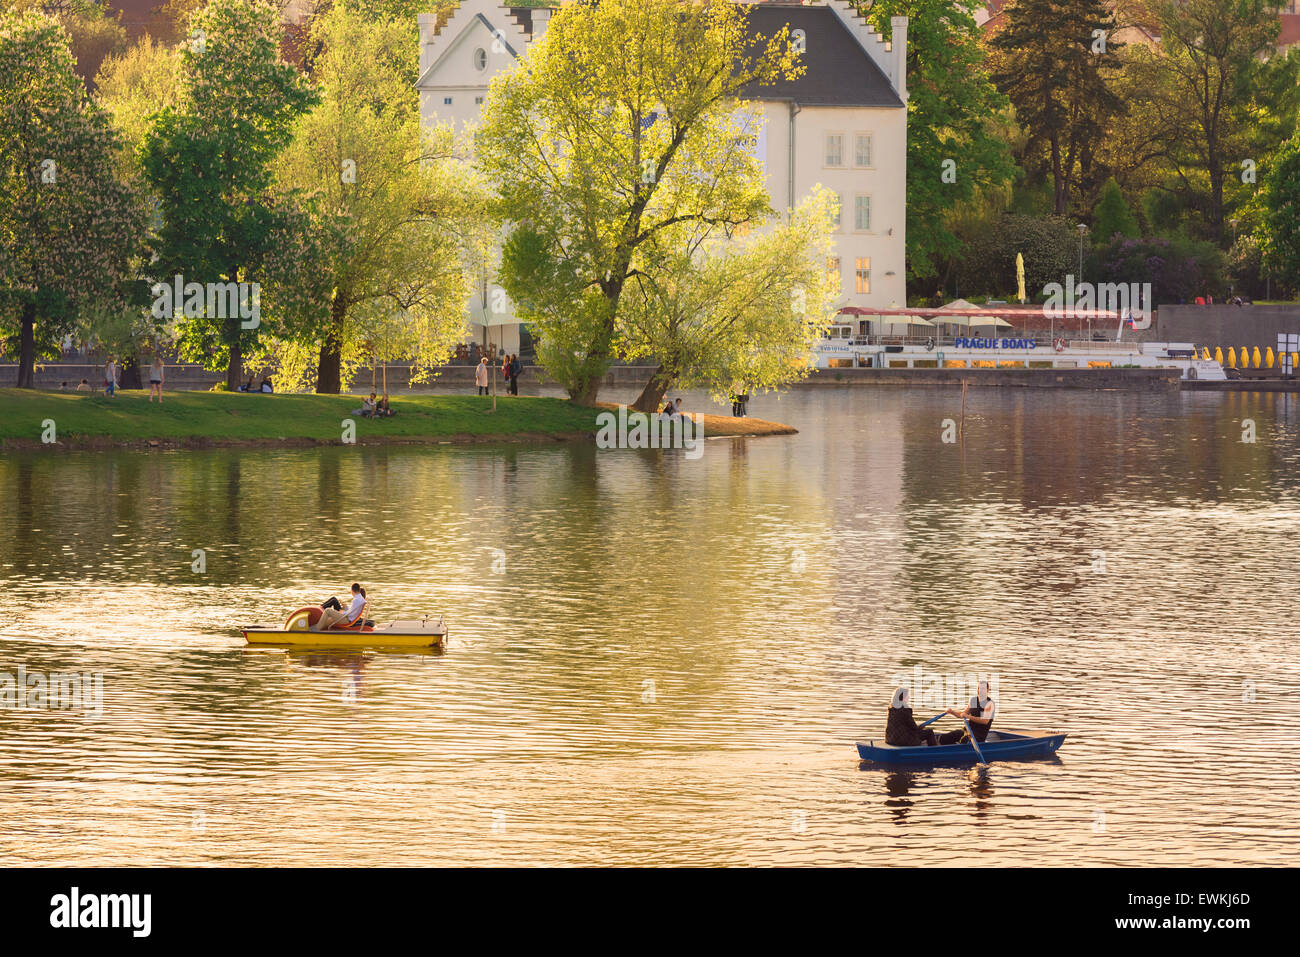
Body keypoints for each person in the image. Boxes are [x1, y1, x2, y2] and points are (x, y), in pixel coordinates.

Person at [937, 680, 997, 745]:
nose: (980, 690)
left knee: (963, 740)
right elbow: (962, 714)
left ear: (987, 690)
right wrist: (952, 712)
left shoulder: (989, 703)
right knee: (942, 738)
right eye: (978, 688)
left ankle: (959, 749)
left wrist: (968, 716)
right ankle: (953, 750)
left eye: (982, 688)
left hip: (978, 735)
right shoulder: (973, 700)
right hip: (967, 731)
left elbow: (985, 721)